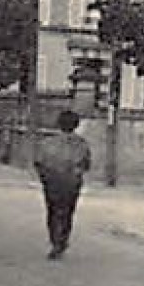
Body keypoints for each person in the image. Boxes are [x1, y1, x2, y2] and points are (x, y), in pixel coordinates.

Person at [35, 109, 92, 260]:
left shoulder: (47, 143)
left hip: (52, 182)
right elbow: (86, 164)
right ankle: (62, 239)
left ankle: (55, 241)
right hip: (71, 183)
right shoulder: (81, 144)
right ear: (76, 125)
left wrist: (45, 177)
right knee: (67, 212)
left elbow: (39, 162)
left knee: (52, 211)